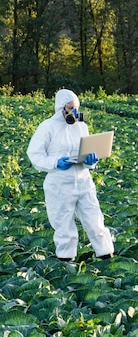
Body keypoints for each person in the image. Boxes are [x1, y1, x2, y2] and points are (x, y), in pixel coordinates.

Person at [27, 89, 114, 262]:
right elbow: (34, 154)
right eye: (70, 108)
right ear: (61, 108)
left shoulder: (82, 127)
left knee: (95, 219)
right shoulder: (47, 127)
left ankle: (106, 254)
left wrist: (92, 160)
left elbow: (88, 150)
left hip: (83, 181)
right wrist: (55, 162)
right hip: (59, 183)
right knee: (63, 224)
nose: (74, 112)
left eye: (76, 108)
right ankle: (66, 259)